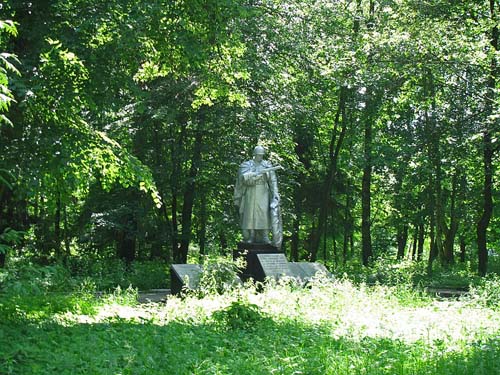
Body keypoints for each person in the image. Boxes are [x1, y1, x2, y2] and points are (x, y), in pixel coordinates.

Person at [234, 145, 282, 248]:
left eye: (262, 155)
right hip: (250, 192)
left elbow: (273, 182)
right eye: (258, 155)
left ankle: (264, 235)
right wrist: (254, 176)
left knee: (263, 213)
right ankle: (250, 236)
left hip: (263, 192)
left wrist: (275, 195)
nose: (260, 157)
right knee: (250, 213)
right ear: (254, 155)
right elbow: (242, 179)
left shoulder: (267, 165)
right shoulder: (247, 165)